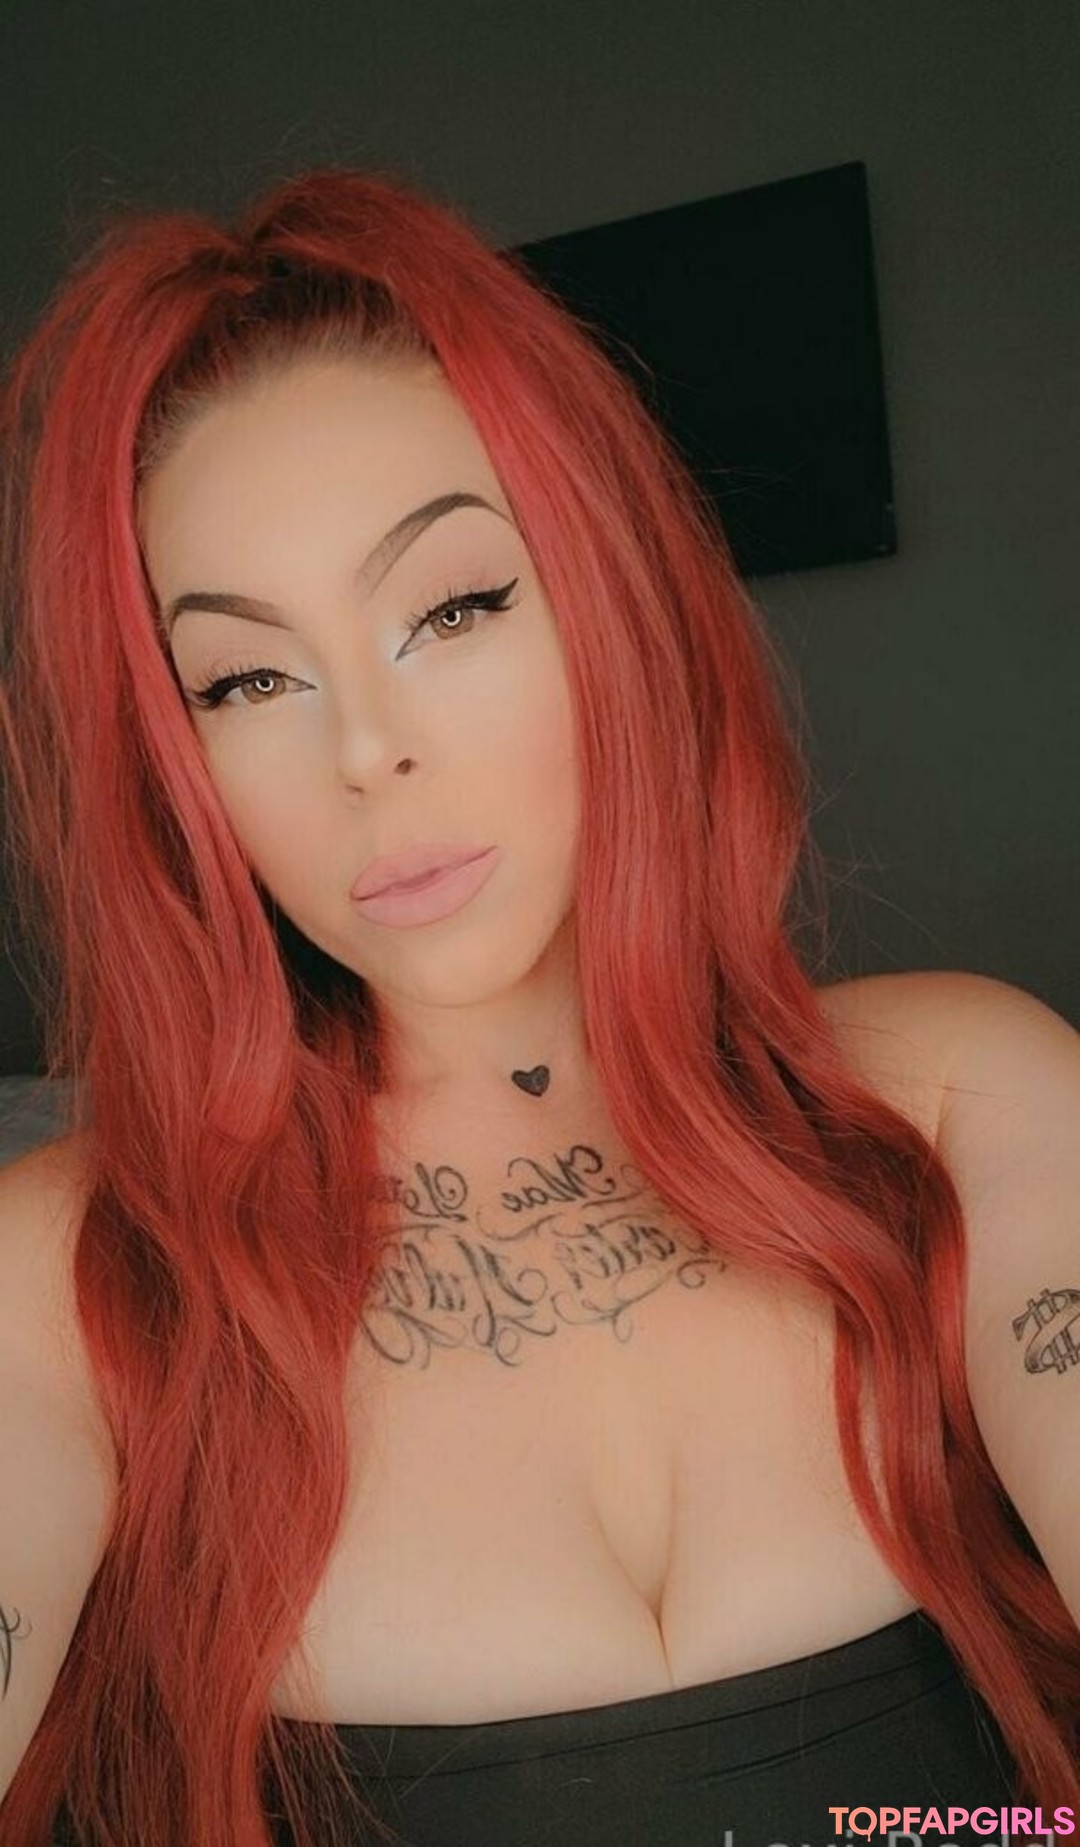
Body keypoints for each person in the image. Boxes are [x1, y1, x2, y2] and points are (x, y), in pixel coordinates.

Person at [0, 167, 1076, 1847]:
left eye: (453, 607)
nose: (368, 752)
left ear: (611, 600)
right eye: (249, 677)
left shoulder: (958, 1096)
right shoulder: (71, 1281)